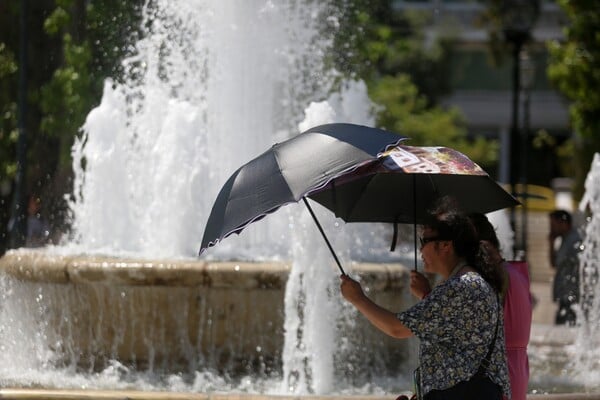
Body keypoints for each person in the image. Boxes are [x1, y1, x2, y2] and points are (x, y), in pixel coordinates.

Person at [340, 209, 510, 400]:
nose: (420, 250)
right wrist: (426, 296)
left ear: (445, 245)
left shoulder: (460, 287)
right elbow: (456, 338)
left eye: (424, 241)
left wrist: (358, 298)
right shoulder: (470, 281)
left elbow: (397, 329)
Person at [469, 213, 532, 400]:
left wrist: (426, 295)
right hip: (516, 370)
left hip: (497, 375)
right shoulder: (515, 273)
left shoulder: (491, 279)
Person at [548, 209, 582, 326]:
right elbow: (554, 264)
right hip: (566, 298)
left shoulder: (575, 241)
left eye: (553, 225)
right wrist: (551, 243)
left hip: (573, 298)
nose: (551, 229)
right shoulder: (564, 240)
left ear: (563, 223)